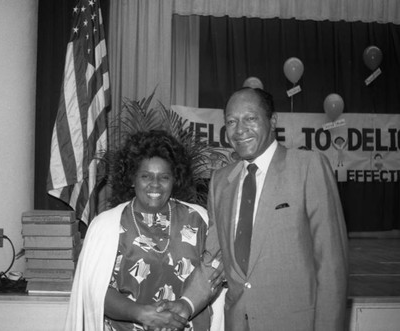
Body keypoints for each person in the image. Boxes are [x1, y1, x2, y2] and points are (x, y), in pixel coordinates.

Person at [159, 87, 349, 330]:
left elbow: (332, 267)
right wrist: (186, 304)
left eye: (250, 118)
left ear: (272, 121)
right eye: (231, 121)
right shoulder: (220, 181)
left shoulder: (308, 167)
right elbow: (214, 260)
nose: (239, 130)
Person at [64, 130, 224, 331]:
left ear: (174, 179)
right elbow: (94, 290)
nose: (155, 184)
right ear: (132, 179)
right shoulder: (105, 225)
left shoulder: (199, 218)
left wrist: (185, 307)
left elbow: (215, 273)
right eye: (146, 176)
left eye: (164, 177)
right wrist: (141, 314)